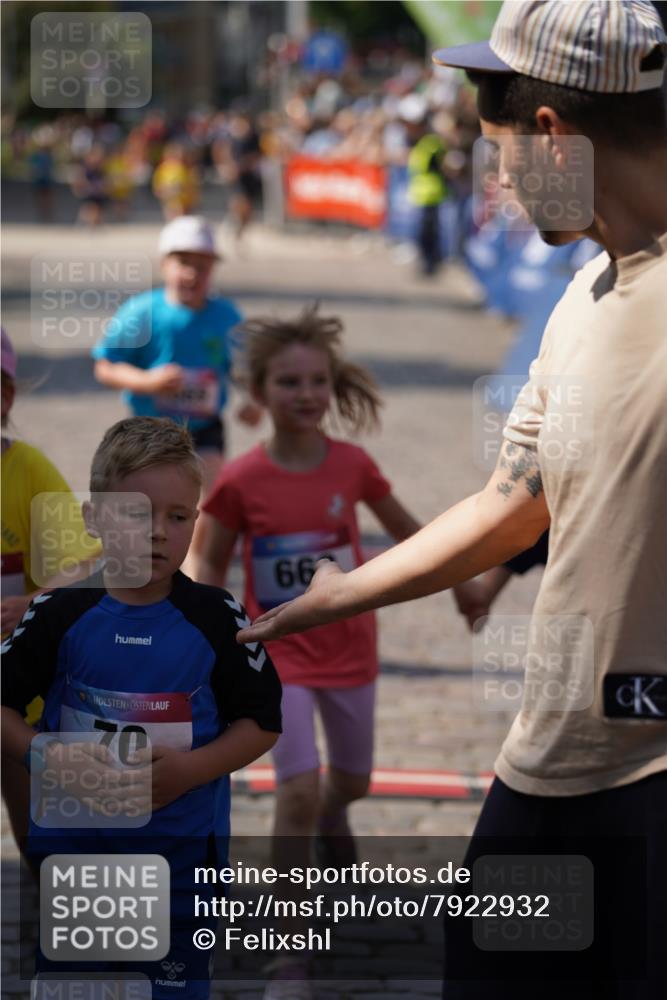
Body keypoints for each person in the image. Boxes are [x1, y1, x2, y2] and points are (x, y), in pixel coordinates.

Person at [237, 3, 667, 997]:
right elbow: (511, 505)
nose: (500, 185)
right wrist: (327, 600)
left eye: (497, 151)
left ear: (553, 132)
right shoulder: (583, 295)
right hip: (551, 761)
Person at [1, 416, 282, 999]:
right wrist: (45, 757)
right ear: (93, 519)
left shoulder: (214, 616)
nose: (158, 532)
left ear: (195, 523)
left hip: (181, 870)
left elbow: (262, 721)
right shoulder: (58, 612)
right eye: (135, 513)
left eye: (177, 517)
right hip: (78, 864)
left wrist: (192, 770)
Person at [194, 306, 420, 998]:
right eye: (287, 382)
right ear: (259, 394)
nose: (305, 394)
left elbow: (411, 538)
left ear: (332, 386)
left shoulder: (352, 466)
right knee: (293, 792)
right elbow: (207, 565)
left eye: (316, 381)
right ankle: (287, 952)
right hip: (277, 654)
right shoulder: (239, 481)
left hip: (350, 650)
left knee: (348, 782)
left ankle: (335, 811)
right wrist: (207, 644)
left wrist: (472, 590)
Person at [92, 215, 261, 568]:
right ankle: (140, 565)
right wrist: (146, 382)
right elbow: (105, 366)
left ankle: (193, 570)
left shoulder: (226, 315)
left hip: (204, 429)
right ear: (165, 264)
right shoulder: (141, 312)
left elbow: (244, 369)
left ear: (213, 269)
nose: (192, 273)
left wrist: (253, 401)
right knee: (147, 504)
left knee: (205, 502)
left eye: (203, 265)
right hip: (147, 432)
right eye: (183, 262)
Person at [1, 327, 101, 851]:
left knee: (37, 832)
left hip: (17, 692)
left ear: (5, 397)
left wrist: (31, 604)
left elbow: (90, 558)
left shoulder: (29, 470)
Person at [152, 141, 200, 220]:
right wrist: (167, 191)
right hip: (171, 201)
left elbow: (191, 186)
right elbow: (157, 187)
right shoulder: (163, 169)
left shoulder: (185, 168)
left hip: (186, 201)